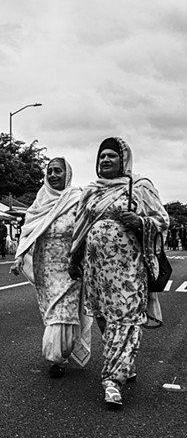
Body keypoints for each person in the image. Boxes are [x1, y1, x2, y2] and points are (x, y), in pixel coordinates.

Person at [68, 137, 169, 408]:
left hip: (128, 269)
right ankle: (124, 362)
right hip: (97, 269)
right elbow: (80, 227)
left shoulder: (140, 187)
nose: (106, 160)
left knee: (124, 319)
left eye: (112, 156)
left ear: (124, 159)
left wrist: (140, 221)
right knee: (103, 316)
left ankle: (112, 380)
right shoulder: (90, 190)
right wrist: (74, 259)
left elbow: (162, 219)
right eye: (102, 156)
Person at [10, 158, 91, 378]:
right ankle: (63, 351)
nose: (53, 175)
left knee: (62, 311)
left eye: (58, 171)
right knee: (52, 311)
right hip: (45, 267)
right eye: (50, 171)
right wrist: (19, 257)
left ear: (68, 174)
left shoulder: (77, 199)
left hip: (70, 267)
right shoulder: (40, 201)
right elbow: (28, 231)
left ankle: (58, 358)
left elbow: (87, 232)